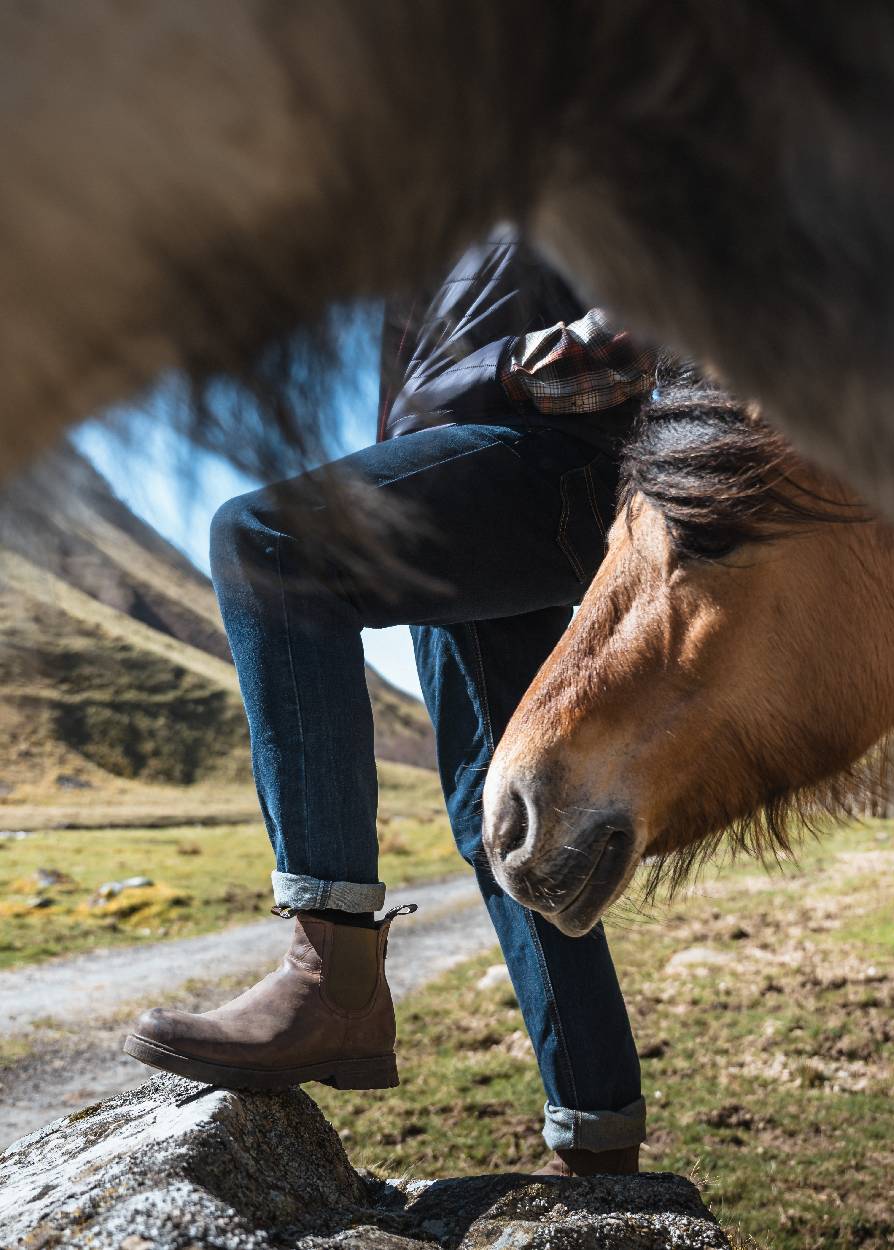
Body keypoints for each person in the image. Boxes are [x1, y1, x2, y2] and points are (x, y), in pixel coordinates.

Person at [124, 228, 658, 1176]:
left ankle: (332, 981)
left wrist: (500, 371)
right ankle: (598, 1127)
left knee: (268, 544)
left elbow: (680, 309)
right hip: (469, 466)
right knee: (497, 812)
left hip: (555, 453)